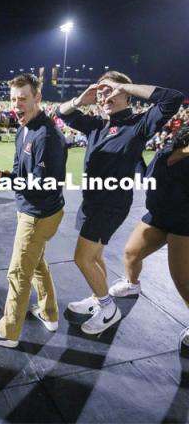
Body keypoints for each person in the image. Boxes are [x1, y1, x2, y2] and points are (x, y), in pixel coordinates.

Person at [56, 71, 183, 335]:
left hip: (111, 202)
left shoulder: (137, 124)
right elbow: (62, 113)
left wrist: (123, 86)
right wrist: (80, 100)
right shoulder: (96, 125)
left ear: (127, 93)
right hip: (91, 201)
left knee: (82, 258)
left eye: (112, 91)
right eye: (101, 92)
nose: (105, 96)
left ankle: (107, 308)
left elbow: (173, 99)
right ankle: (97, 298)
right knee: (96, 256)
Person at [0, 73, 67, 348]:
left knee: (18, 272)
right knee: (37, 264)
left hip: (38, 214)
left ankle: (8, 332)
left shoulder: (47, 136)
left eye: (23, 98)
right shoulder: (23, 128)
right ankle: (49, 313)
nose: (17, 104)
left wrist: (9, 180)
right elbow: (21, 171)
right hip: (31, 209)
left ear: (37, 98)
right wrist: (7, 174)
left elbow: (44, 185)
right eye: (14, 98)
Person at [108, 126, 189, 349]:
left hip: (184, 223)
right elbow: (147, 175)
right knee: (130, 254)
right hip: (157, 216)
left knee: (182, 281)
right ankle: (132, 284)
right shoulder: (171, 148)